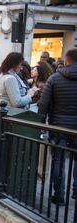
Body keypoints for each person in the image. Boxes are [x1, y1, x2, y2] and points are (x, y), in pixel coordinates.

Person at [39, 48, 77, 203]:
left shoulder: (55, 78)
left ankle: (59, 194)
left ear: (66, 60)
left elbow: (44, 105)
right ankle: (76, 191)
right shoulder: (54, 78)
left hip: (58, 126)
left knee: (58, 160)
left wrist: (42, 124)